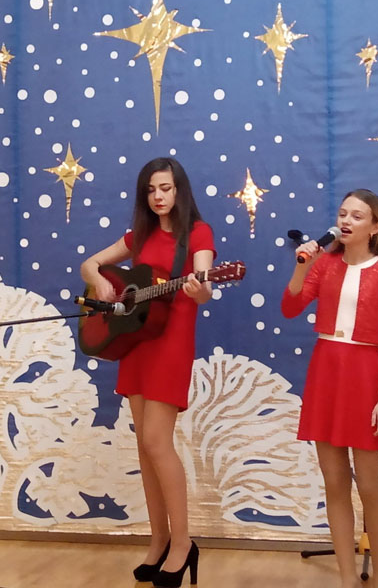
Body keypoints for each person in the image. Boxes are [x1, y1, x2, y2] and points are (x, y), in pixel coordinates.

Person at [80, 157, 215, 587]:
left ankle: (183, 543)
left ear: (180, 190)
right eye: (151, 190)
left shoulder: (198, 233)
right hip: (137, 341)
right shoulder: (139, 235)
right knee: (144, 446)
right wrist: (101, 282)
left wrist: (200, 288)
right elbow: (90, 264)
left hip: (172, 344)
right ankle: (159, 540)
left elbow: (206, 288)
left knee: (158, 441)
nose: (158, 196)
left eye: (166, 188)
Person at [281, 189, 378, 588]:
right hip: (326, 371)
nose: (346, 221)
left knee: (370, 486)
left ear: (375, 227)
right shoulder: (325, 265)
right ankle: (347, 578)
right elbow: (290, 307)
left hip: (366, 375)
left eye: (357, 216)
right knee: (334, 483)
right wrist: (302, 266)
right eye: (342, 214)